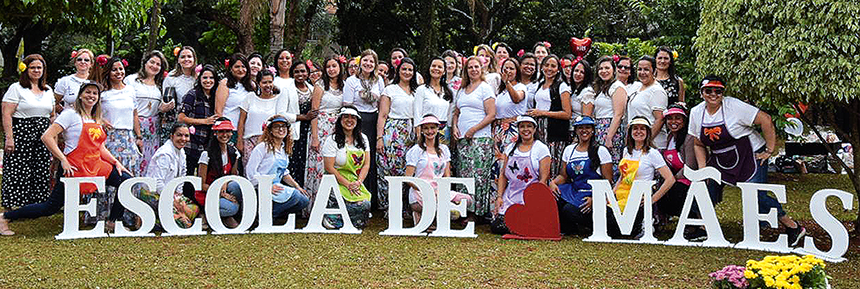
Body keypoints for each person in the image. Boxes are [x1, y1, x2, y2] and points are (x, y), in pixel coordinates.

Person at [0, 82, 132, 236]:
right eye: (88, 92)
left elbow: (100, 148)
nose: (91, 96)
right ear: (80, 95)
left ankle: (113, 221)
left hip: (96, 165)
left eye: (95, 93)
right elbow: (47, 137)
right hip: (74, 167)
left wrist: (115, 162)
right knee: (50, 207)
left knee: (125, 181)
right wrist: (63, 159)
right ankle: (5, 217)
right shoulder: (70, 114)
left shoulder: (96, 118)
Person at [689, 75, 806, 245]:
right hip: (720, 157)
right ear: (702, 93)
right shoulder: (696, 113)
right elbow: (698, 143)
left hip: (749, 154)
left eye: (718, 91)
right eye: (708, 91)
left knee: (756, 194)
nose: (713, 94)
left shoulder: (734, 106)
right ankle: (703, 227)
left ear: (723, 93)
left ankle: (793, 227)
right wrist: (702, 170)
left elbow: (766, 119)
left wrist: (769, 150)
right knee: (706, 188)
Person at [2, 54, 55, 209]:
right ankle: (15, 204)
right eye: (33, 67)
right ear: (26, 69)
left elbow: (52, 115)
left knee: (41, 168)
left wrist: (54, 137)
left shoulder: (48, 90)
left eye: (39, 67)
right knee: (19, 169)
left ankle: (37, 204)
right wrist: (9, 138)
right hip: (21, 133)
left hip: (43, 135)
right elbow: (6, 114)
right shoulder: (16, 88)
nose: (36, 70)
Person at [607, 116, 674, 238]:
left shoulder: (652, 153)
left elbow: (670, 179)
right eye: (635, 128)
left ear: (647, 132)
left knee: (619, 229)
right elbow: (623, 177)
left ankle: (644, 223)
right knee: (607, 217)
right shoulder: (626, 151)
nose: (639, 131)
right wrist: (612, 194)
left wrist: (652, 199)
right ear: (630, 132)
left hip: (638, 200)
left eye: (642, 129)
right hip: (622, 195)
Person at [404, 114, 473, 226]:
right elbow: (408, 178)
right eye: (426, 128)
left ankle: (437, 214)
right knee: (446, 209)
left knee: (467, 199)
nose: (429, 131)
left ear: (437, 129)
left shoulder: (444, 149)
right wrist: (426, 190)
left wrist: (442, 192)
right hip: (420, 193)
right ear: (422, 130)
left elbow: (447, 176)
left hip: (439, 191)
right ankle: (423, 215)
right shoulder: (416, 150)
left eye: (432, 128)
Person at [550, 116, 613, 236]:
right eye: (580, 128)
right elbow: (563, 176)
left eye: (587, 127)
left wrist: (595, 199)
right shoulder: (569, 150)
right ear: (576, 130)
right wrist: (553, 183)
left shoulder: (601, 151)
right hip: (576, 191)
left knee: (569, 210)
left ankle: (591, 227)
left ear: (593, 130)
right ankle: (568, 229)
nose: (584, 131)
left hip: (592, 194)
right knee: (555, 196)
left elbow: (608, 181)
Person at [451, 56, 496, 221]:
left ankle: (476, 213)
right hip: (463, 139)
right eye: (470, 67)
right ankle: (463, 209)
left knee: (478, 176)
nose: (473, 70)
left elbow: (491, 114)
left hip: (480, 138)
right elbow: (456, 113)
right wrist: (455, 127)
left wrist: (473, 129)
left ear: (481, 69)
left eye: (476, 67)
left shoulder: (485, 88)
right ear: (466, 70)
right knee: (464, 175)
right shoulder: (462, 90)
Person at [491, 115, 550, 234]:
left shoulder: (541, 149)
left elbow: (543, 180)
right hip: (511, 196)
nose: (525, 129)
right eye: (522, 126)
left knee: (526, 222)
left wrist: (536, 203)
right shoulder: (511, 148)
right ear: (518, 129)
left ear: (534, 129)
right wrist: (499, 197)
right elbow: (503, 175)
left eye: (529, 126)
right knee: (497, 226)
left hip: (530, 199)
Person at [133, 124, 199, 229]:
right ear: (171, 136)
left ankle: (159, 217)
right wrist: (174, 202)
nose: (183, 139)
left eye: (186, 136)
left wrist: (179, 198)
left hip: (171, 194)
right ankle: (148, 220)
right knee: (184, 224)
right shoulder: (165, 154)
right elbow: (158, 183)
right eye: (179, 135)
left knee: (194, 210)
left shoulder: (181, 151)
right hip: (154, 194)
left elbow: (181, 177)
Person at [245, 115, 310, 221]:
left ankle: (272, 214)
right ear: (270, 130)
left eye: (283, 126)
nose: (281, 129)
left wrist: (297, 186)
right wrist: (266, 186)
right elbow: (250, 171)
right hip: (260, 187)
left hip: (276, 186)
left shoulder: (284, 149)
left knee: (304, 200)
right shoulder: (262, 147)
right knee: (296, 196)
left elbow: (283, 172)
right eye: (276, 127)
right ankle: (262, 215)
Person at [342, 49, 385, 208]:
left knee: (370, 158)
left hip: (373, 121)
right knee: (357, 157)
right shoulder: (351, 81)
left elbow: (381, 104)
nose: (368, 64)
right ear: (360, 63)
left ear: (375, 64)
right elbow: (347, 104)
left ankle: (371, 199)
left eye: (371, 61)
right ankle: (354, 196)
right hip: (356, 120)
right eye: (365, 60)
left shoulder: (378, 81)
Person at [376, 57, 417, 214]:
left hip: (411, 133)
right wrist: (379, 138)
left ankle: (405, 207)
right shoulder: (390, 90)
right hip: (393, 132)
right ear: (398, 71)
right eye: (404, 69)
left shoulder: (417, 91)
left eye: (410, 70)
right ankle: (390, 207)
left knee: (408, 168)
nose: (407, 72)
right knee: (390, 169)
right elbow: (382, 115)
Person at [306, 55, 346, 211]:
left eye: (334, 66)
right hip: (321, 127)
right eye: (328, 66)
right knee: (320, 164)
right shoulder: (320, 85)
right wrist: (315, 137)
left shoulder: (344, 85)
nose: (331, 69)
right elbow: (314, 112)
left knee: (336, 163)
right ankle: (317, 206)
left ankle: (334, 204)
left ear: (339, 67)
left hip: (338, 128)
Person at [321, 107, 372, 229]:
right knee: (350, 205)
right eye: (346, 117)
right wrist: (347, 184)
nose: (349, 120)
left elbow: (366, 164)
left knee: (365, 204)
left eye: (353, 117)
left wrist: (358, 182)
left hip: (354, 180)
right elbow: (329, 168)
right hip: (335, 181)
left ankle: (344, 218)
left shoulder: (363, 139)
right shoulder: (332, 140)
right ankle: (333, 218)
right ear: (340, 120)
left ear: (357, 121)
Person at [125, 51, 170, 175]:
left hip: (152, 129)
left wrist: (163, 108)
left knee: (150, 160)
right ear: (145, 63)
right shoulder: (131, 80)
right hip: (134, 125)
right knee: (134, 159)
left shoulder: (160, 85)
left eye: (158, 64)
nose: (154, 66)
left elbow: (157, 108)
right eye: (152, 62)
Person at [656, 104, 699, 234]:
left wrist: (672, 180)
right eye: (670, 118)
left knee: (673, 192)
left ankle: (692, 221)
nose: (673, 122)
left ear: (684, 120)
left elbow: (690, 166)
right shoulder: (670, 137)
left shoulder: (689, 138)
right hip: (676, 178)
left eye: (677, 118)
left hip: (689, 180)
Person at [528, 54, 572, 176]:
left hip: (554, 131)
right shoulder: (539, 84)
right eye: (547, 65)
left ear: (558, 69)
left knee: (552, 165)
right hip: (539, 129)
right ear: (542, 67)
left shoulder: (562, 86)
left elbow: (567, 113)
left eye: (553, 66)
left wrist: (542, 113)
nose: (549, 68)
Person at [99, 57, 142, 177]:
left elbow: (134, 114)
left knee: (131, 169)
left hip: (128, 137)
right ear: (108, 72)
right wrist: (102, 121)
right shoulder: (103, 93)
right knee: (112, 170)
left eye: (121, 69)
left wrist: (139, 136)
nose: (118, 72)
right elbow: (93, 114)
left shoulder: (130, 90)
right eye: (114, 70)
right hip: (110, 136)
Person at [195, 118, 242, 228]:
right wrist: (221, 192)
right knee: (231, 208)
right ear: (215, 133)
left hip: (224, 191)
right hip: (208, 192)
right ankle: (205, 213)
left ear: (232, 133)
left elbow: (234, 176)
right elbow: (201, 184)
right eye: (221, 131)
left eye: (227, 131)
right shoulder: (206, 154)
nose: (224, 135)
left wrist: (225, 183)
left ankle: (226, 216)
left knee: (236, 186)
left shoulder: (233, 152)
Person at [237, 69, 287, 167]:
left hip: (270, 141)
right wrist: (239, 141)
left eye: (270, 82)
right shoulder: (250, 97)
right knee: (250, 170)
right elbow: (241, 121)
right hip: (250, 141)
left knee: (268, 171)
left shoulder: (278, 99)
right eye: (264, 82)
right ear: (258, 83)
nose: (267, 85)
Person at [585, 56, 627, 170]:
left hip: (611, 129)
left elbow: (618, 115)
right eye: (601, 68)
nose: (604, 71)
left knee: (611, 163)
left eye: (607, 68)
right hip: (599, 129)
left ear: (614, 69)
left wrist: (609, 137)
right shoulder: (601, 88)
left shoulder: (617, 87)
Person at [178, 64, 219, 175]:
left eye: (211, 78)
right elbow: (181, 118)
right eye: (205, 77)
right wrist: (204, 121)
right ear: (199, 79)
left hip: (208, 145)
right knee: (188, 176)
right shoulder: (193, 94)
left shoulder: (216, 97)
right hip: (192, 144)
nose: (208, 81)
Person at [284, 61, 318, 189]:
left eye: (303, 71)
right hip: (294, 132)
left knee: (306, 163)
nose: (300, 74)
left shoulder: (313, 89)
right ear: (292, 74)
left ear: (308, 73)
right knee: (293, 164)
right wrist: (303, 117)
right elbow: (281, 113)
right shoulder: (287, 90)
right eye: (296, 72)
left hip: (309, 132)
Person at [492, 58, 527, 177]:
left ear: (517, 71)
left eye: (511, 68)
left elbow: (516, 99)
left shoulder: (521, 87)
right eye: (505, 68)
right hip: (499, 130)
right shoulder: (501, 91)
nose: (508, 71)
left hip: (512, 129)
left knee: (510, 163)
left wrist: (507, 83)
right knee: (498, 163)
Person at [627, 56, 669, 149]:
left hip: (652, 145)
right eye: (639, 69)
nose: (642, 73)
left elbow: (660, 119)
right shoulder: (637, 87)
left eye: (646, 69)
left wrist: (647, 142)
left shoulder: (656, 91)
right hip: (638, 143)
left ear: (654, 71)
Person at [215, 53, 255, 143]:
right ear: (231, 68)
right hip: (229, 130)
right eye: (237, 67)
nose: (240, 70)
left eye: (243, 67)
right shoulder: (225, 84)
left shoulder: (252, 85)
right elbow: (218, 111)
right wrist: (223, 131)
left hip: (247, 131)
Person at [413, 56, 453, 144]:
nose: (436, 69)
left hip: (443, 132)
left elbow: (450, 114)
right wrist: (418, 132)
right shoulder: (422, 90)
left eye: (439, 67)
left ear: (444, 71)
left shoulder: (448, 91)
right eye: (433, 66)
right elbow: (417, 112)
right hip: (427, 131)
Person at [161, 46, 198, 142]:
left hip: (197, 119)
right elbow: (164, 99)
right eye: (182, 57)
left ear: (194, 59)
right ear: (178, 60)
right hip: (177, 120)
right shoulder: (171, 77)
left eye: (189, 56)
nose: (186, 59)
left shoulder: (199, 76)